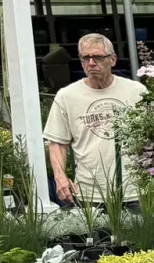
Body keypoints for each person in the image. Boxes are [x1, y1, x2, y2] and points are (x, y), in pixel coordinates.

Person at [43, 33, 147, 204]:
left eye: (98, 57)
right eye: (85, 58)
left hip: (135, 191)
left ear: (113, 59)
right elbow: (57, 142)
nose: (91, 63)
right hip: (89, 193)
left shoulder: (136, 91)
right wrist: (60, 177)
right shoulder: (67, 96)